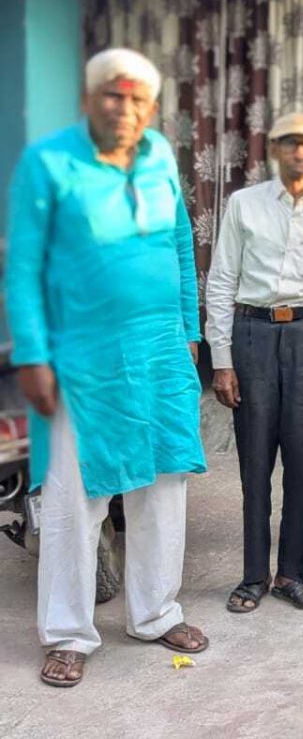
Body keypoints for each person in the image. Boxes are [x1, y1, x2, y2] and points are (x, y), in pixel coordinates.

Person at [6, 48, 209, 687]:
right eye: (113, 96)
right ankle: (68, 634)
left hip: (159, 351)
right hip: (82, 357)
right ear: (88, 100)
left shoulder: (159, 158)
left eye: (137, 99)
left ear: (150, 108)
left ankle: (155, 612)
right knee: (75, 498)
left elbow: (180, 244)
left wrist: (190, 330)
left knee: (163, 487)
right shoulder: (51, 163)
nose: (125, 109)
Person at [206, 112, 303, 614]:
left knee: (302, 461)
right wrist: (222, 360)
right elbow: (221, 281)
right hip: (251, 335)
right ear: (274, 150)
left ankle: (294, 574)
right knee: (254, 462)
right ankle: (253, 575)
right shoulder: (243, 204)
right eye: (290, 143)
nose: (300, 152)